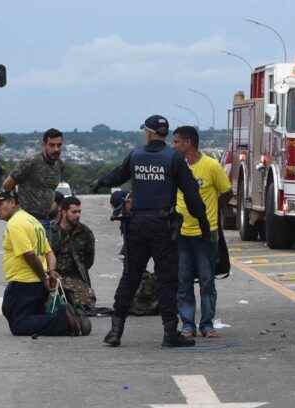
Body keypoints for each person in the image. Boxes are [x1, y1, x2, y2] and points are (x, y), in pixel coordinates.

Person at [93, 115, 210, 348]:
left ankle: (115, 331)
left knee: (130, 277)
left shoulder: (136, 156)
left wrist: (99, 182)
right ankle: (170, 334)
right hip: (162, 227)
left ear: (148, 132)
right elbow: (191, 194)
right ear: (164, 134)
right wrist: (204, 223)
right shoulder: (174, 158)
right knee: (167, 280)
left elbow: (117, 175)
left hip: (136, 225)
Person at [172, 126, 232, 338]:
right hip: (182, 233)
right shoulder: (176, 166)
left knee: (207, 281)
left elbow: (227, 192)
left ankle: (207, 324)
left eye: (177, 142)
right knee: (184, 280)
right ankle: (188, 324)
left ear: (188, 142)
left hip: (206, 234)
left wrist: (212, 211)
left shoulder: (211, 166)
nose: (174, 146)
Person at [0, 190, 68, 336]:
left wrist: (45, 278)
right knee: (12, 310)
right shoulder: (32, 220)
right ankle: (56, 319)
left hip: (24, 283)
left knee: (19, 325)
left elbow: (29, 255)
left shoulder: (15, 223)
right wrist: (50, 272)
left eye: (0, 203)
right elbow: (49, 252)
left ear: (13, 203)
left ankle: (63, 321)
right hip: (36, 284)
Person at [2, 128, 65, 233]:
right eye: (52, 145)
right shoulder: (30, 162)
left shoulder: (60, 165)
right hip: (27, 221)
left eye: (59, 145)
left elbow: (50, 190)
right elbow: (7, 185)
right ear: (44, 145)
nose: (56, 149)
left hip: (47, 221)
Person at [48, 196, 97, 312]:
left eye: (79, 212)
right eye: (74, 212)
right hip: (52, 276)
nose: (78, 215)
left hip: (74, 277)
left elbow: (89, 260)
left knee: (86, 302)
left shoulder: (85, 233)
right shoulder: (50, 231)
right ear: (64, 212)